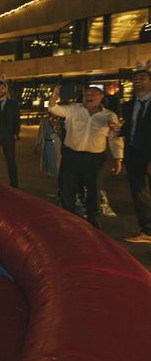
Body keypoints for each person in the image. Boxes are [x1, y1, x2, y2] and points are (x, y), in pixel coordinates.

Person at [48, 85, 123, 228]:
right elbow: (54, 109)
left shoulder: (109, 115)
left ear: (101, 97)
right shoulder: (74, 109)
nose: (88, 96)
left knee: (93, 190)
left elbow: (115, 138)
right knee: (67, 188)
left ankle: (93, 221)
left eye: (92, 94)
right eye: (86, 94)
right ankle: (67, 218)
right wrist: (53, 97)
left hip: (94, 159)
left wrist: (118, 159)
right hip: (72, 156)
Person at [122, 68, 151, 243]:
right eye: (135, 78)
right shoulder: (129, 105)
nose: (138, 80)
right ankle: (146, 230)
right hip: (133, 154)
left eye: (143, 77)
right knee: (139, 194)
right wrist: (118, 130)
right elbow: (130, 128)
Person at [33, 114, 62, 179]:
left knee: (55, 158)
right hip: (46, 141)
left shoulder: (59, 120)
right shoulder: (44, 120)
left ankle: (55, 173)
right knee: (47, 157)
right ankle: (50, 172)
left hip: (55, 142)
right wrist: (38, 144)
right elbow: (41, 132)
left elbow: (60, 132)